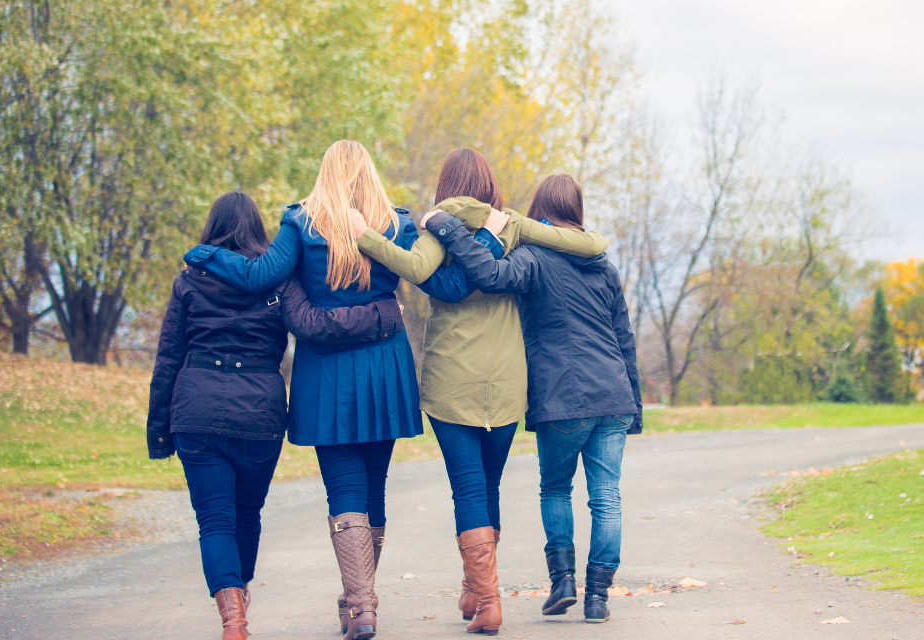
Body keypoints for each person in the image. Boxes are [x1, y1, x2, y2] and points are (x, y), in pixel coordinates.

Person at [181, 140, 483, 639]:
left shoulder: (301, 223)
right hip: (385, 366)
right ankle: (359, 603)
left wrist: (205, 253)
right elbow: (432, 277)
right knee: (374, 487)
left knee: (344, 489)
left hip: (327, 374)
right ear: (369, 174)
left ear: (324, 173)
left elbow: (258, 276)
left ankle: (362, 605)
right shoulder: (399, 224)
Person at [348, 149, 609, 636]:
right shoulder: (512, 226)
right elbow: (589, 245)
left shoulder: (434, 229)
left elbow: (413, 268)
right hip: (509, 378)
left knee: (467, 487)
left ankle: (487, 600)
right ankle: (477, 588)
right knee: (488, 486)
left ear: (446, 185)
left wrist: (359, 232)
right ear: (490, 186)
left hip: (452, 378)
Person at [147, 191, 404, 640]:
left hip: (196, 411)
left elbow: (168, 359)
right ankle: (242, 604)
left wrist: (159, 432)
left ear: (211, 228)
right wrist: (383, 313)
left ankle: (235, 620)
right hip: (259, 414)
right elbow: (315, 325)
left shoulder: (189, 281)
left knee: (214, 520)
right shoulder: (278, 282)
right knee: (246, 514)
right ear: (259, 231)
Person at [421, 174, 642, 624]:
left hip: (563, 397)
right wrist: (633, 405)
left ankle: (562, 582)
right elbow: (624, 338)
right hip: (615, 395)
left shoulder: (533, 258)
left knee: (556, 488)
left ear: (540, 213)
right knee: (608, 498)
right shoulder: (603, 265)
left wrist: (446, 228)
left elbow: (486, 273)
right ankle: (598, 596)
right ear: (577, 213)